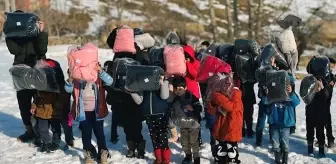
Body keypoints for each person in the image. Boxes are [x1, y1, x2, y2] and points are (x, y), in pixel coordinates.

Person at [6, 10, 48, 143]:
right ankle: (30, 131)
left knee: (39, 101)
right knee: (23, 103)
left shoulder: (34, 31)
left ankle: (41, 132)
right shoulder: (14, 35)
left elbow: (42, 50)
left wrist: (41, 32)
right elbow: (14, 50)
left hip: (37, 69)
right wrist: (8, 33)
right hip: (20, 71)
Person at [64, 64, 113, 164]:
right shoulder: (77, 78)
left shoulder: (98, 77)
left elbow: (110, 81)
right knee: (86, 134)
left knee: (99, 133)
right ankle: (88, 153)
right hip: (82, 111)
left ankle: (103, 153)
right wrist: (70, 79)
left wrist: (100, 71)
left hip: (97, 111)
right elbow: (68, 89)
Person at [130, 74, 171, 163]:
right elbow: (139, 101)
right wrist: (133, 92)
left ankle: (166, 158)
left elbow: (165, 96)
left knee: (162, 136)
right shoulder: (144, 84)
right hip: (148, 114)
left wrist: (163, 82)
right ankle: (158, 158)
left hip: (161, 113)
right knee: (154, 136)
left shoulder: (160, 82)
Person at [29, 60, 65, 152]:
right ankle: (46, 142)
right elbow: (36, 98)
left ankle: (56, 142)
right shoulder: (39, 87)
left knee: (55, 127)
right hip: (41, 110)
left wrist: (58, 106)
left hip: (53, 110)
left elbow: (60, 98)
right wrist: (33, 106)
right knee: (42, 129)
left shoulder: (55, 86)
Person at [266, 75, 300, 164]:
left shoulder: (290, 95)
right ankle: (277, 160)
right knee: (275, 144)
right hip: (274, 123)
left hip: (285, 124)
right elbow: (265, 102)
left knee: (285, 144)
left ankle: (284, 160)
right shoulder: (273, 95)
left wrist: (291, 92)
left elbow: (296, 102)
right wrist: (268, 94)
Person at [207, 79, 243, 164]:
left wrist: (218, 96)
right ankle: (221, 159)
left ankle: (232, 160)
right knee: (222, 147)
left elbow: (232, 107)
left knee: (231, 149)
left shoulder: (235, 94)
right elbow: (211, 111)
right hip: (221, 126)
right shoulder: (220, 95)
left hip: (232, 127)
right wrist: (213, 103)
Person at [171, 77, 202, 164]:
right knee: (184, 142)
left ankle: (196, 157)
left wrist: (193, 108)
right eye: (176, 89)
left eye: (180, 88)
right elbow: (173, 110)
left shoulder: (192, 97)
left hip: (193, 124)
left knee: (193, 142)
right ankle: (188, 156)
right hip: (183, 125)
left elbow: (199, 107)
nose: (178, 91)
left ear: (185, 88)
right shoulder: (175, 99)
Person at [183, 45, 203, 145]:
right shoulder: (180, 63)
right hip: (183, 93)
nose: (185, 57)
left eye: (187, 55)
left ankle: (198, 138)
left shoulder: (196, 63)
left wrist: (187, 64)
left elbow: (195, 75)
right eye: (184, 55)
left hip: (194, 93)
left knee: (196, 117)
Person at [325, 57, 335, 148]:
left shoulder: (332, 77)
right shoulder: (321, 75)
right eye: (330, 66)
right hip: (318, 103)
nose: (331, 68)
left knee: (328, 123)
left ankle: (330, 140)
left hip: (326, 103)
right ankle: (320, 139)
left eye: (333, 67)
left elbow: (334, 78)